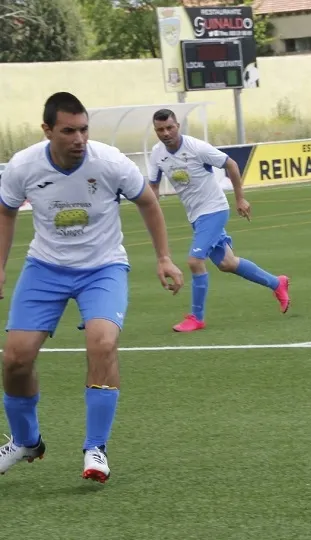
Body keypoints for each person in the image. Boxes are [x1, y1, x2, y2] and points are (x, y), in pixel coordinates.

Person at [0, 92, 184, 483]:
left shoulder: (110, 162)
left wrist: (164, 257)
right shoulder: (23, 166)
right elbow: (6, 210)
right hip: (45, 268)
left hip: (103, 267)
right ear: (48, 130)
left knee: (102, 342)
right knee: (15, 358)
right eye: (68, 131)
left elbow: (149, 202)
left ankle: (95, 448)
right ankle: (25, 441)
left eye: (84, 129)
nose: (79, 138)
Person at [147, 109, 291, 333]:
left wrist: (240, 198)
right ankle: (277, 283)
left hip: (214, 210)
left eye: (169, 127)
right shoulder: (157, 154)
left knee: (195, 261)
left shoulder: (196, 147)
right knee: (227, 264)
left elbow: (231, 164)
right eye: (160, 130)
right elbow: (154, 187)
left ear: (178, 126)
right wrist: (151, 211)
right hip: (196, 216)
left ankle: (197, 317)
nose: (165, 133)